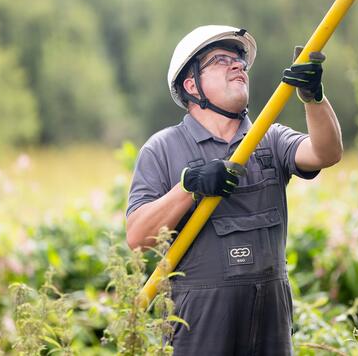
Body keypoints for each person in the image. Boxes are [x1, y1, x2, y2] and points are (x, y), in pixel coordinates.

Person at [126, 25, 343, 355]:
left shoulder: (269, 138)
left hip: (270, 317)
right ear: (191, 84)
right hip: (199, 321)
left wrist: (314, 98)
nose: (238, 65)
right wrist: (188, 188)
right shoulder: (162, 150)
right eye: (221, 59)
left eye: (240, 59)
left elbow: (326, 153)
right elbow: (137, 239)